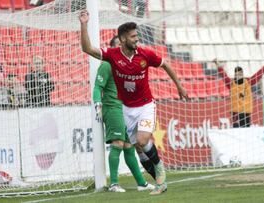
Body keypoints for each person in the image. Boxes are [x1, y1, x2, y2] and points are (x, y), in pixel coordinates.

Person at [79, 10, 188, 195]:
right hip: (126, 108)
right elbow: (87, 49)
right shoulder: (113, 56)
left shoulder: (145, 54)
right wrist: (83, 24)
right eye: (133, 36)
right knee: (138, 147)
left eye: (137, 35)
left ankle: (159, 166)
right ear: (122, 39)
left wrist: (179, 86)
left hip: (146, 105)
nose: (137, 39)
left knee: (142, 140)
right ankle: (160, 184)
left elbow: (166, 64)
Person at [93, 35, 155, 192]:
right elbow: (97, 87)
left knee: (129, 146)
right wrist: (97, 103)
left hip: (125, 109)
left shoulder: (127, 66)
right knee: (118, 144)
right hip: (113, 108)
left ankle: (141, 183)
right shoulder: (107, 65)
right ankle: (114, 183)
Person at [215, 57, 264, 128]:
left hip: (246, 110)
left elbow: (258, 75)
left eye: (240, 73)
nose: (238, 75)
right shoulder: (231, 83)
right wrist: (217, 64)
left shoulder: (248, 82)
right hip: (236, 110)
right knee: (236, 127)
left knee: (246, 128)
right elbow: (223, 75)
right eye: (237, 74)